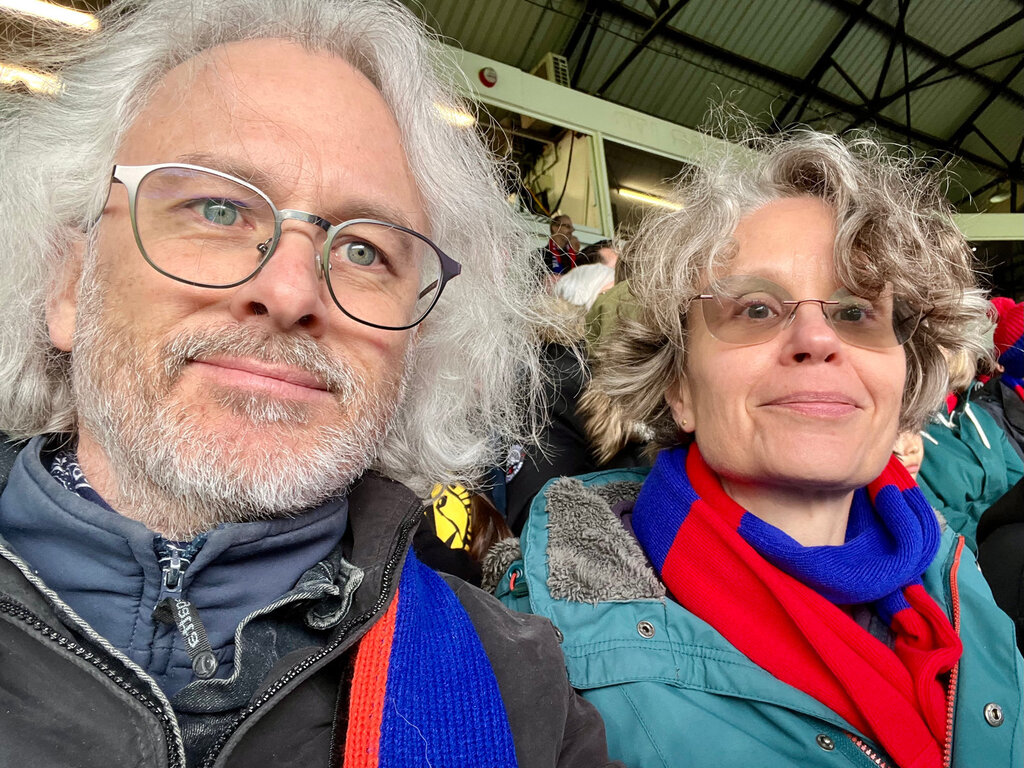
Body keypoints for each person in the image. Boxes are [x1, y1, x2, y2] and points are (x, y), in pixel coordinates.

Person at [0, 2, 619, 766]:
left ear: (418, 345)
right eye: (218, 208)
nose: (292, 290)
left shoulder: (525, 700)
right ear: (68, 282)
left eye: (364, 251)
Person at [490, 126, 1023, 766]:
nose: (817, 338)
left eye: (856, 311)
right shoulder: (532, 661)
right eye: (757, 309)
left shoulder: (960, 581)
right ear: (679, 386)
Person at [915, 349, 1023, 553]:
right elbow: (940, 522)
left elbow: (1019, 484)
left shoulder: (978, 416)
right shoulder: (904, 437)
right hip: (976, 556)